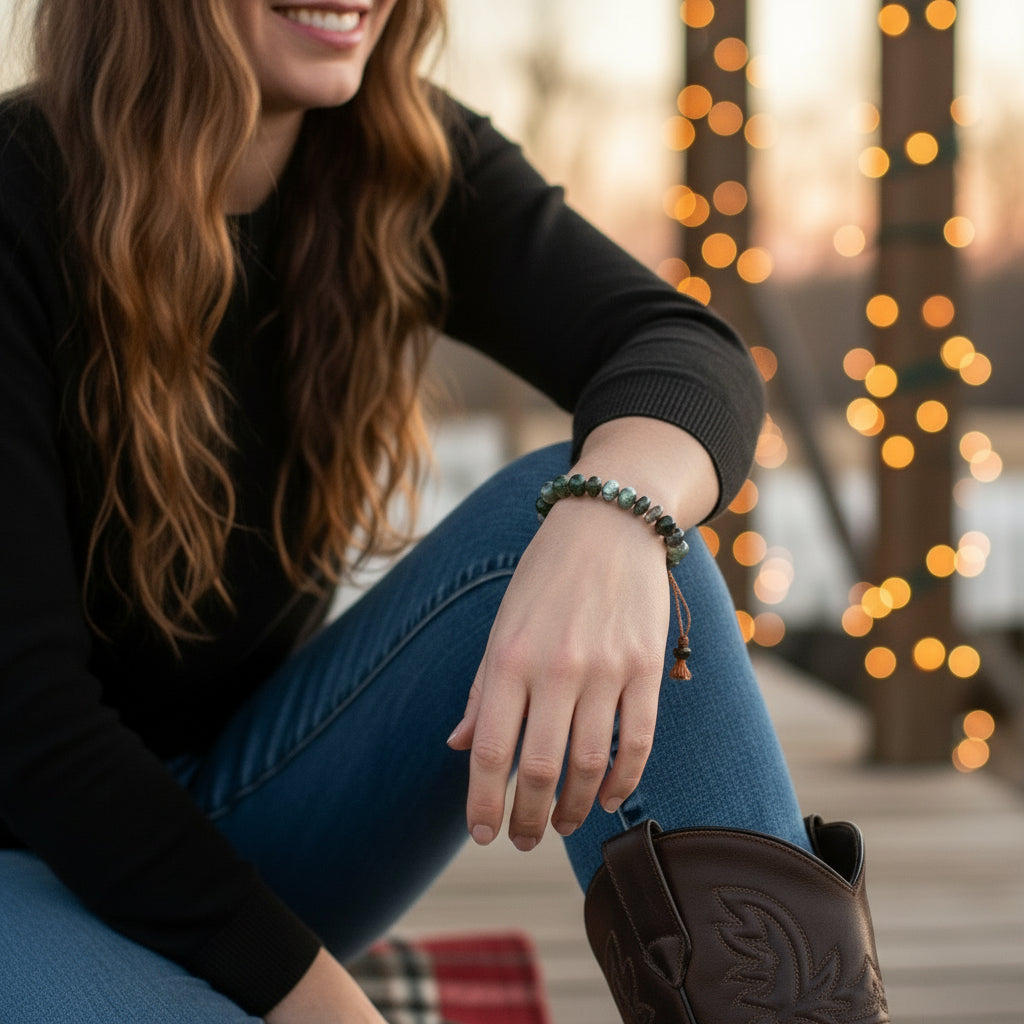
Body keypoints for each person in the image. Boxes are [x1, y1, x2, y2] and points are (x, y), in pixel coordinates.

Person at [0, 2, 890, 1022]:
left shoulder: (399, 156)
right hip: (21, 851)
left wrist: (611, 517)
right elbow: (27, 722)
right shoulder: (17, 194)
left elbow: (685, 352)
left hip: (246, 807)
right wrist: (317, 998)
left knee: (623, 523)